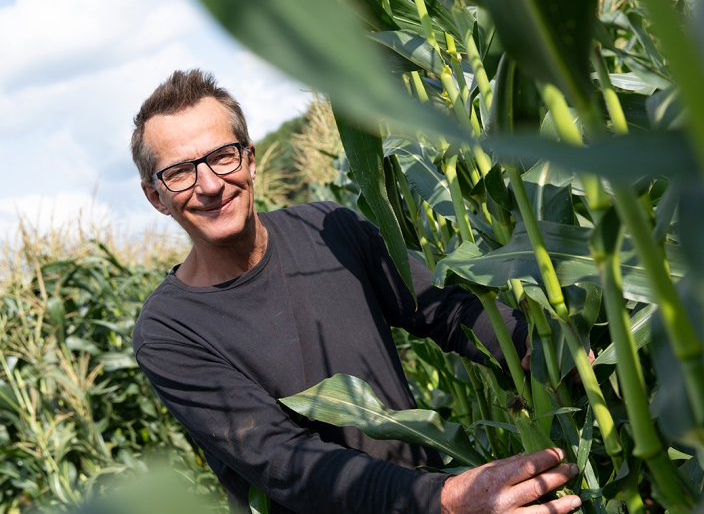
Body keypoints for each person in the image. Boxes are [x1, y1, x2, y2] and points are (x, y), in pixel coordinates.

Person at [131, 69, 582, 514]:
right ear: (156, 197)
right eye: (180, 173)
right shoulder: (168, 331)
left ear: (249, 159)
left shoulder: (329, 229)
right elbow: (285, 462)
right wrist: (443, 500)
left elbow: (448, 309)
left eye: (222, 156)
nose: (209, 184)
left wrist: (535, 343)